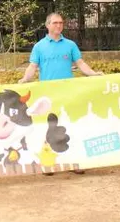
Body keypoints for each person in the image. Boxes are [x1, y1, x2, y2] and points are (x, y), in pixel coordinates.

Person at [19, 12, 103, 175]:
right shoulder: (39, 46)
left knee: (70, 126)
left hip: (68, 93)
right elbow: (32, 67)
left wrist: (93, 74)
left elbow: (80, 63)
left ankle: (75, 162)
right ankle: (48, 162)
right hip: (47, 95)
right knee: (47, 129)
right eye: (55, 22)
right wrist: (24, 79)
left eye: (61, 23)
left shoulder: (70, 45)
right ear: (48, 25)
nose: (59, 25)